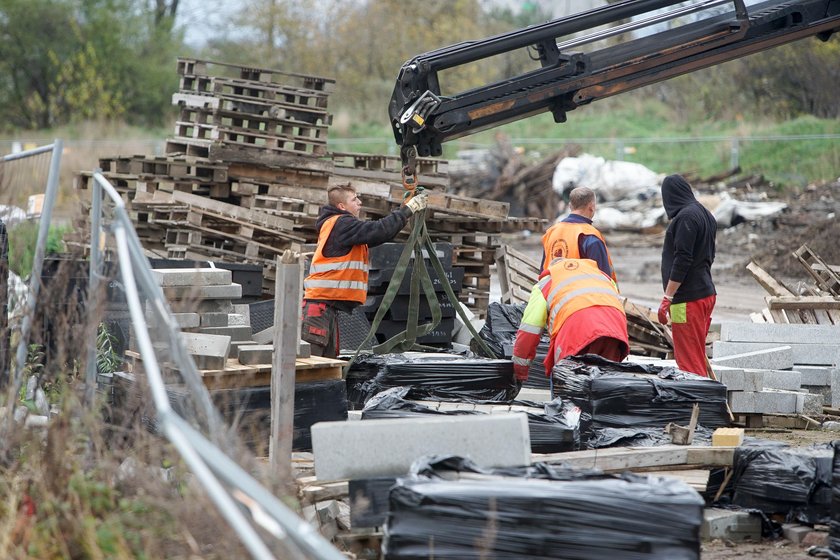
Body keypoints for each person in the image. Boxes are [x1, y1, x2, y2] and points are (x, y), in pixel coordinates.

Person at [302, 184, 428, 358]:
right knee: (313, 369)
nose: (360, 203)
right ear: (342, 207)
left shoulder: (340, 226)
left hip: (325, 309)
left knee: (325, 368)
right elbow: (378, 231)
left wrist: (404, 211)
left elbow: (379, 231)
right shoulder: (342, 224)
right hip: (319, 311)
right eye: (354, 199)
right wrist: (408, 210)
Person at [511, 257, 629, 383]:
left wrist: (519, 371)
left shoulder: (546, 283)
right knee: (605, 386)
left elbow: (529, 331)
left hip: (576, 330)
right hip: (615, 333)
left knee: (565, 385)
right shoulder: (603, 277)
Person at [657, 174, 717, 377]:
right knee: (697, 353)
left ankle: (697, 403)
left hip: (687, 301)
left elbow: (683, 259)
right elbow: (709, 255)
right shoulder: (705, 214)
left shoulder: (685, 218)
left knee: (688, 359)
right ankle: (703, 398)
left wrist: (668, 297)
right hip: (705, 293)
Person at [540, 186, 617, 283]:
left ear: (570, 206)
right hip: (578, 297)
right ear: (591, 207)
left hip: (552, 295)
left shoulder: (551, 232)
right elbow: (603, 279)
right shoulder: (590, 236)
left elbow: (543, 272)